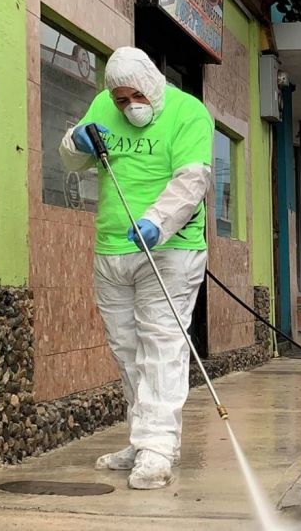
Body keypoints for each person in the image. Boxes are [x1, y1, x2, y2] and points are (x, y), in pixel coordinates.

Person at [59, 47, 213, 490]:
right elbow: (73, 158)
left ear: (152, 84)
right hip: (112, 250)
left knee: (161, 345)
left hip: (170, 249)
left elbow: (192, 180)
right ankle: (141, 437)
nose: (129, 106)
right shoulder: (104, 104)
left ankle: (158, 448)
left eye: (135, 97)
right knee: (127, 349)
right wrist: (76, 141)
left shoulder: (189, 112)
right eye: (121, 99)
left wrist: (157, 221)